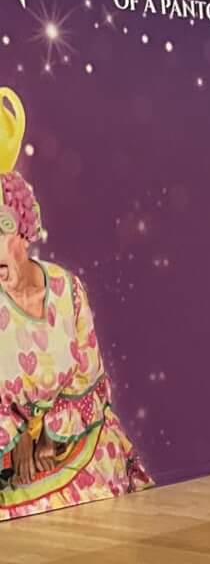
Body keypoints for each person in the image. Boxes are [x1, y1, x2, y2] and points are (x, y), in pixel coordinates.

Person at [0, 170, 152, 519]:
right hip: (11, 458)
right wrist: (19, 439)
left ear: (24, 231)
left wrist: (50, 434)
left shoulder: (67, 290)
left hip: (77, 436)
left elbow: (88, 377)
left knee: (98, 488)